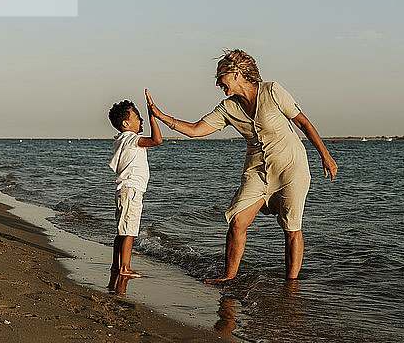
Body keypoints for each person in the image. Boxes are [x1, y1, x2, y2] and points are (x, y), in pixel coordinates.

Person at [146, 49, 337, 282]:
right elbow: (196, 130)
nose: (217, 83)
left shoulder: (272, 91)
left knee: (291, 227)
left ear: (236, 74)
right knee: (237, 220)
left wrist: (325, 155)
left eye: (220, 77)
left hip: (291, 168)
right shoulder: (228, 108)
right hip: (257, 171)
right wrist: (161, 116)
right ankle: (229, 276)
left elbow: (303, 123)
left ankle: (292, 284)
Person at [107, 90, 162, 283]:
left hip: (124, 190)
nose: (140, 119)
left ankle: (116, 265)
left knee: (122, 231)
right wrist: (153, 117)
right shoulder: (130, 139)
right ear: (126, 123)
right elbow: (157, 140)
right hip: (131, 190)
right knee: (129, 230)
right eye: (137, 116)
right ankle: (125, 267)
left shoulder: (122, 140)